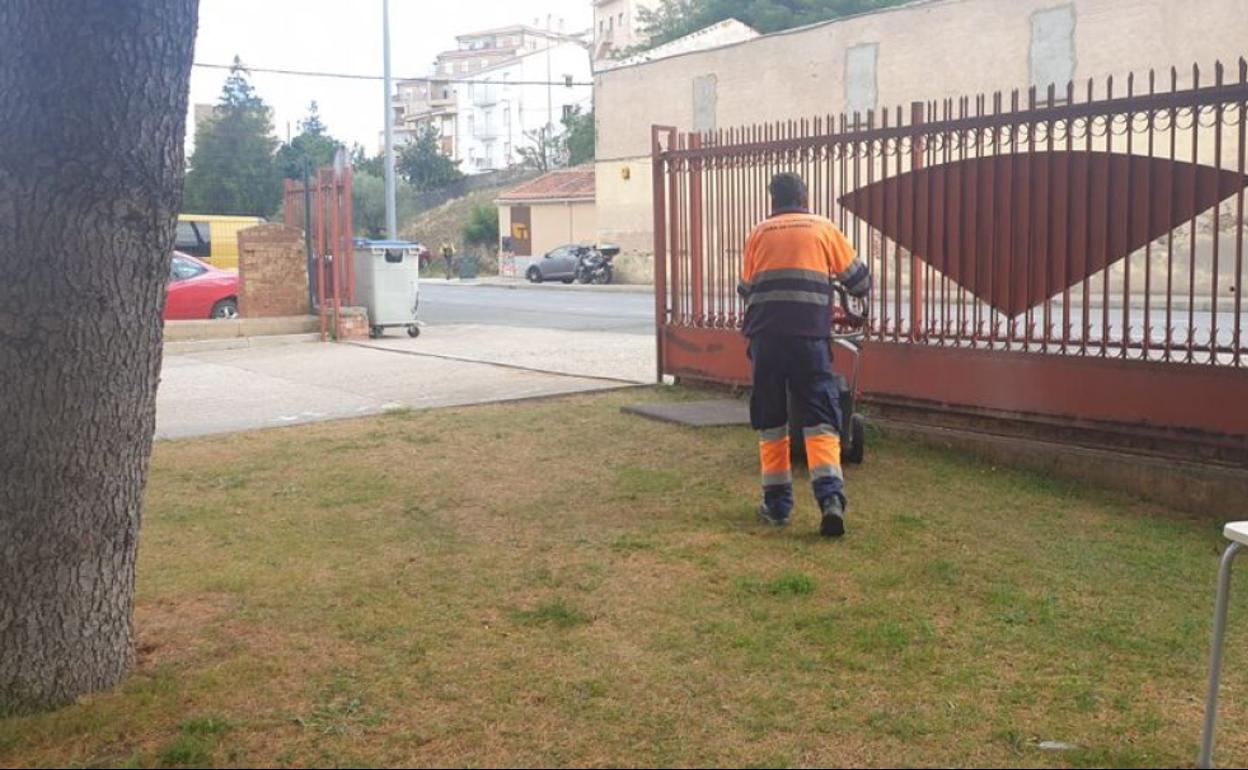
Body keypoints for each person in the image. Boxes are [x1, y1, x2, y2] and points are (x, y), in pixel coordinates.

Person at [738, 172, 871, 537]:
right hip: (809, 341)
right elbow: (859, 281)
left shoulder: (758, 232)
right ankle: (830, 500)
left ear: (773, 200)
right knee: (821, 418)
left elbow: (745, 288)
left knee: (771, 422)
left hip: (766, 339)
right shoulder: (823, 228)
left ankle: (777, 506)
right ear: (805, 197)